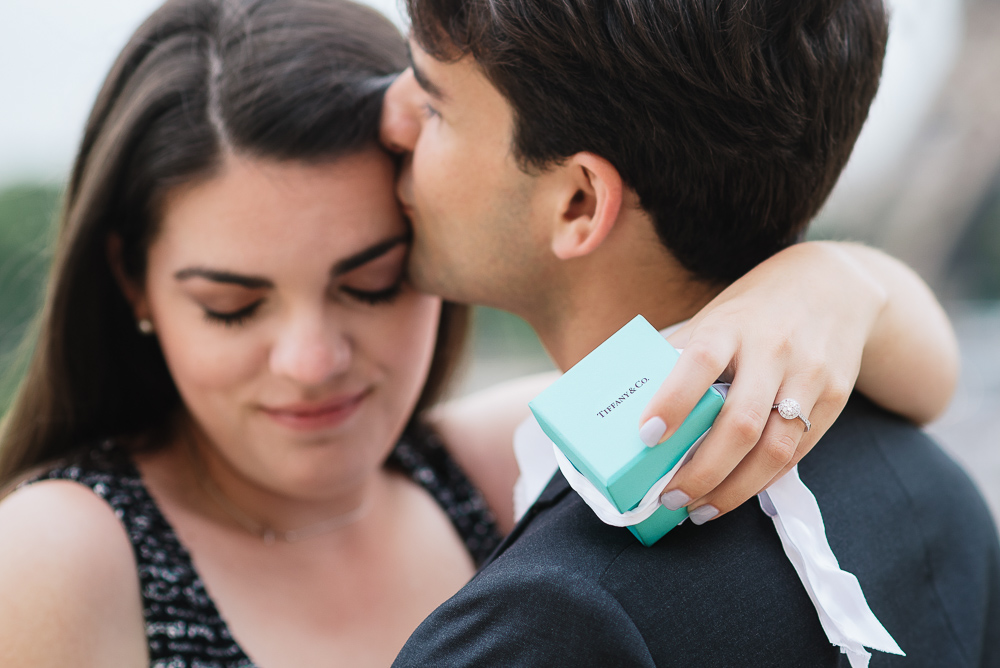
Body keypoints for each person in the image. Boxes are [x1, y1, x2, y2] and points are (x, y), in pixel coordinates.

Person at [0, 0, 973, 667]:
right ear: (130, 278)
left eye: (372, 279)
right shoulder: (56, 552)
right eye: (231, 304)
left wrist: (836, 282)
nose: (307, 359)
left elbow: (911, 364)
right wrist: (841, 277)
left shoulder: (511, 466)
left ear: (578, 201)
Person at [382, 0, 1000, 665]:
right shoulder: (938, 490)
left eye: (434, 106)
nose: (391, 119)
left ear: (579, 202)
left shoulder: (538, 624)